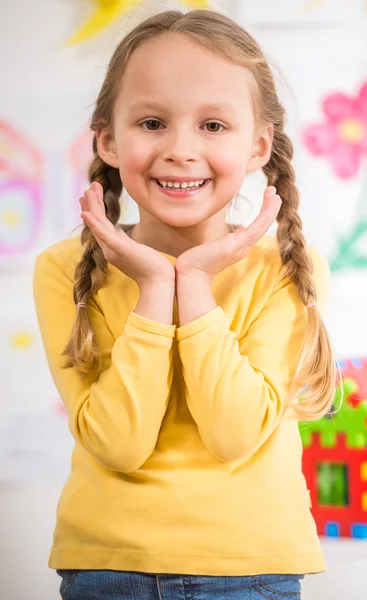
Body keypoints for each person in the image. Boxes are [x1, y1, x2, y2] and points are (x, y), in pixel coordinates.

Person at [33, 8, 338, 600]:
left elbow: (235, 434)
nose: (180, 149)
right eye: (152, 121)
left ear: (258, 146)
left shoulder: (287, 268)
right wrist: (154, 290)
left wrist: (191, 286)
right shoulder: (63, 271)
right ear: (107, 140)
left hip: (254, 569)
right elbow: (118, 444)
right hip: (106, 568)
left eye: (213, 126)